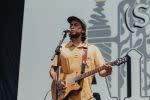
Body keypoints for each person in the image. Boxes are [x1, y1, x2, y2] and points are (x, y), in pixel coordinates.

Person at [49, 16, 112, 100]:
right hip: (64, 96)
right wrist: (58, 81)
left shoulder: (92, 49)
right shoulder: (62, 48)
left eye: (75, 24)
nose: (72, 26)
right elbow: (52, 70)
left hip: (86, 97)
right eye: (71, 25)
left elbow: (102, 72)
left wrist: (108, 71)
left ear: (83, 30)